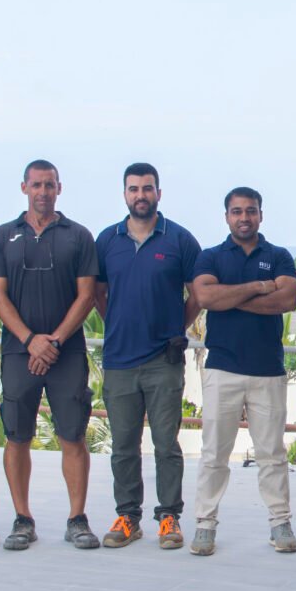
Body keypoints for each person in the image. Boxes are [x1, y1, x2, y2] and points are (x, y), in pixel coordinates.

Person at [0, 161, 100, 552]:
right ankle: (23, 518)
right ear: (24, 188)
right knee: (17, 436)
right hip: (20, 352)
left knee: (73, 435)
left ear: (59, 188)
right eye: (36, 185)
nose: (43, 191)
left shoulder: (79, 236)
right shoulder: (3, 236)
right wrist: (31, 339)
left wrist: (52, 341)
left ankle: (77, 518)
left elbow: (86, 295)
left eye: (49, 185)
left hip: (66, 353)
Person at [94, 162, 202, 550]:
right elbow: (97, 293)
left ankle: (169, 516)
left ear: (159, 192)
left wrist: (178, 326)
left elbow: (198, 293)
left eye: (147, 188)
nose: (141, 195)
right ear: (124, 194)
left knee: (166, 445)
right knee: (123, 445)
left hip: (164, 360)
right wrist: (118, 322)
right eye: (134, 189)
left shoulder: (180, 240)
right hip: (119, 361)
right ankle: (128, 517)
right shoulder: (107, 240)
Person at [188, 187, 296, 555]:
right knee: (214, 453)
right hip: (222, 368)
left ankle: (280, 523)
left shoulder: (279, 256)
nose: (244, 218)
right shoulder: (211, 256)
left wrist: (230, 298)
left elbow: (286, 299)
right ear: (226, 217)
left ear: (261, 215)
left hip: (268, 369)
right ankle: (205, 525)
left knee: (272, 453)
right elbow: (205, 298)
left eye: (250, 211)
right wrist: (255, 288)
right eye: (237, 212)